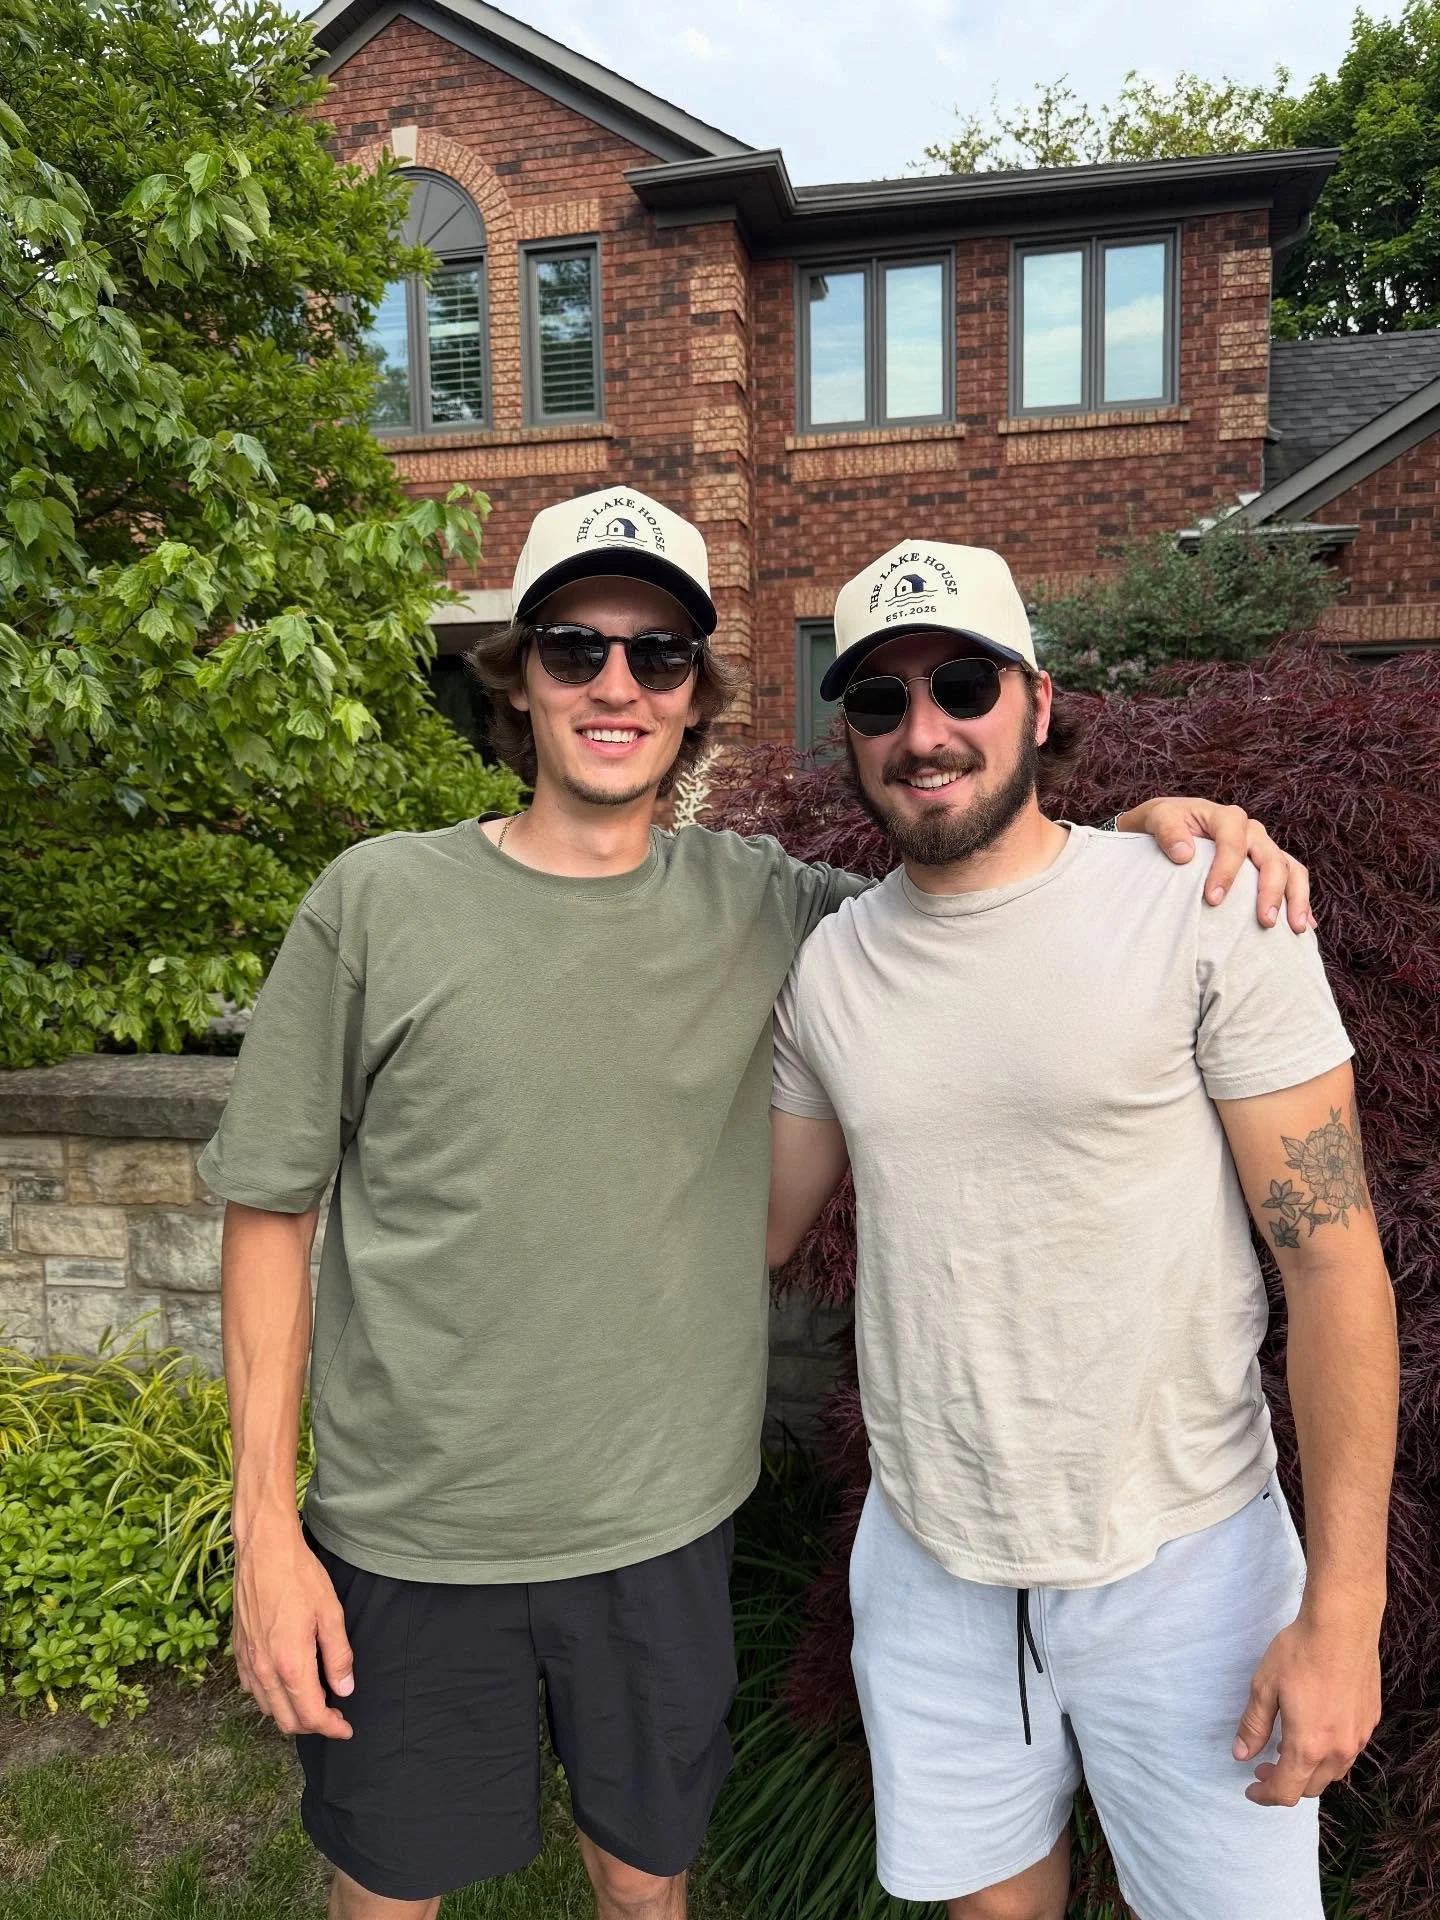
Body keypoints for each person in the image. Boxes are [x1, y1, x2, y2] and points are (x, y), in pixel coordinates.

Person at [199, 489, 1315, 1920]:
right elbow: (270, 1211)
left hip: (662, 1525)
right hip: (411, 1530)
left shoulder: (773, 910)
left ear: (696, 692)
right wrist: (266, 1533)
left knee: (645, 1886)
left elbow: (974, 866)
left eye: (657, 654)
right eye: (572, 648)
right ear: (516, 680)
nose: (615, 685)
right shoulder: (375, 904)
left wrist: (1156, 832)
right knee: (387, 1891)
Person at [766, 539, 1398, 1920]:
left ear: (1038, 703)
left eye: (963, 684)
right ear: (850, 735)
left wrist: (1344, 1611)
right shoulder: (832, 968)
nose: (924, 731)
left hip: (1187, 1566)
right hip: (933, 1565)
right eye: (879, 701)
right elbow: (748, 1234)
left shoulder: (1208, 907)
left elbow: (1332, 1256)